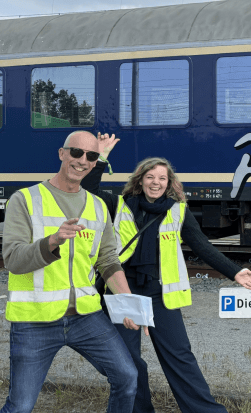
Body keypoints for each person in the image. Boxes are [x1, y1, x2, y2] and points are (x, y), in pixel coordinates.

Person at [81, 133, 251, 413]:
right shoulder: (119, 204)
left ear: (169, 183)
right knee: (127, 361)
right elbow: (87, 189)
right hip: (123, 290)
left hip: (160, 292)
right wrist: (101, 157)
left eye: (162, 178)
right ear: (140, 180)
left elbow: (201, 245)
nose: (156, 182)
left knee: (180, 357)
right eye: (150, 177)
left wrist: (235, 272)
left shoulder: (178, 211)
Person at [1, 131, 141, 413]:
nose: (82, 160)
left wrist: (129, 304)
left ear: (95, 161)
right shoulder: (24, 199)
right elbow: (12, 259)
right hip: (35, 320)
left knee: (127, 377)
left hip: (85, 318)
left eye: (91, 156)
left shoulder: (98, 206)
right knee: (21, 406)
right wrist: (52, 241)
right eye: (76, 152)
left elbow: (108, 260)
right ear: (61, 153)